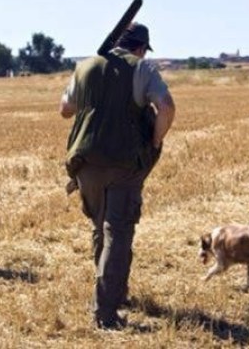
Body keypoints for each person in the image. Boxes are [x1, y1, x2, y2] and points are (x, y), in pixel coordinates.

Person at [59, 22, 175, 329]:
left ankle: (112, 293)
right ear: (140, 48)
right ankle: (106, 314)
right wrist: (155, 140)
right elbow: (166, 107)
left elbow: (65, 110)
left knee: (100, 228)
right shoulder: (142, 69)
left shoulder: (85, 67)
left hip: (84, 162)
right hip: (123, 164)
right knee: (118, 234)